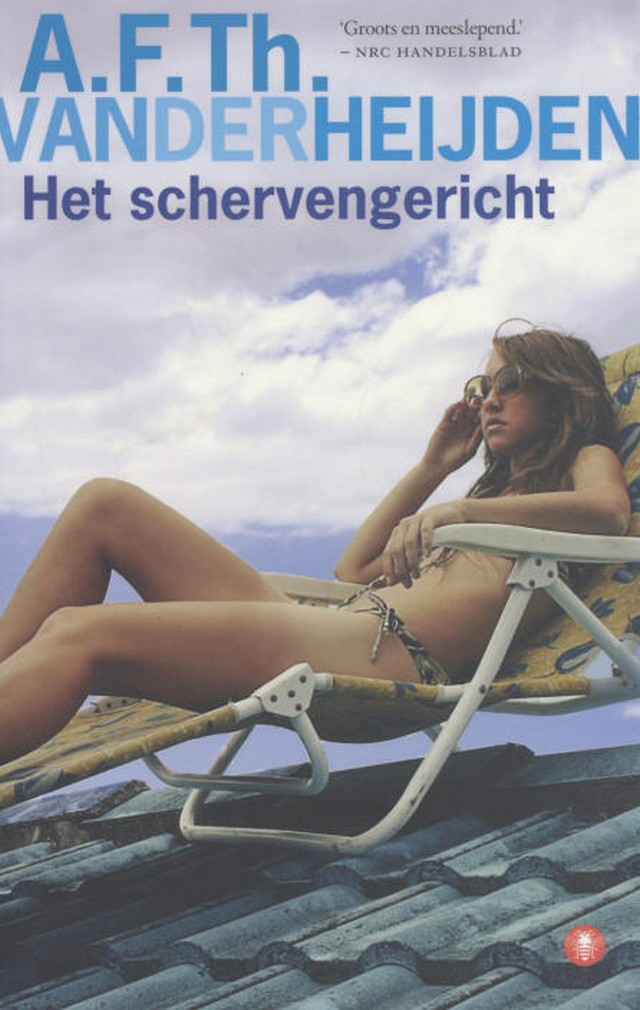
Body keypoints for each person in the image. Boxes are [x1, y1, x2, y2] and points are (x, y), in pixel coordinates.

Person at [0, 323, 630, 764]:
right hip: (336, 629)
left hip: (389, 662)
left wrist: (458, 508)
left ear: (561, 389)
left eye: (509, 380)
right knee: (105, 503)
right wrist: (433, 467)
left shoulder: (584, 460)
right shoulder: (489, 500)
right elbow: (353, 568)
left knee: (78, 631)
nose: (489, 400)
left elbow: (609, 513)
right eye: (480, 387)